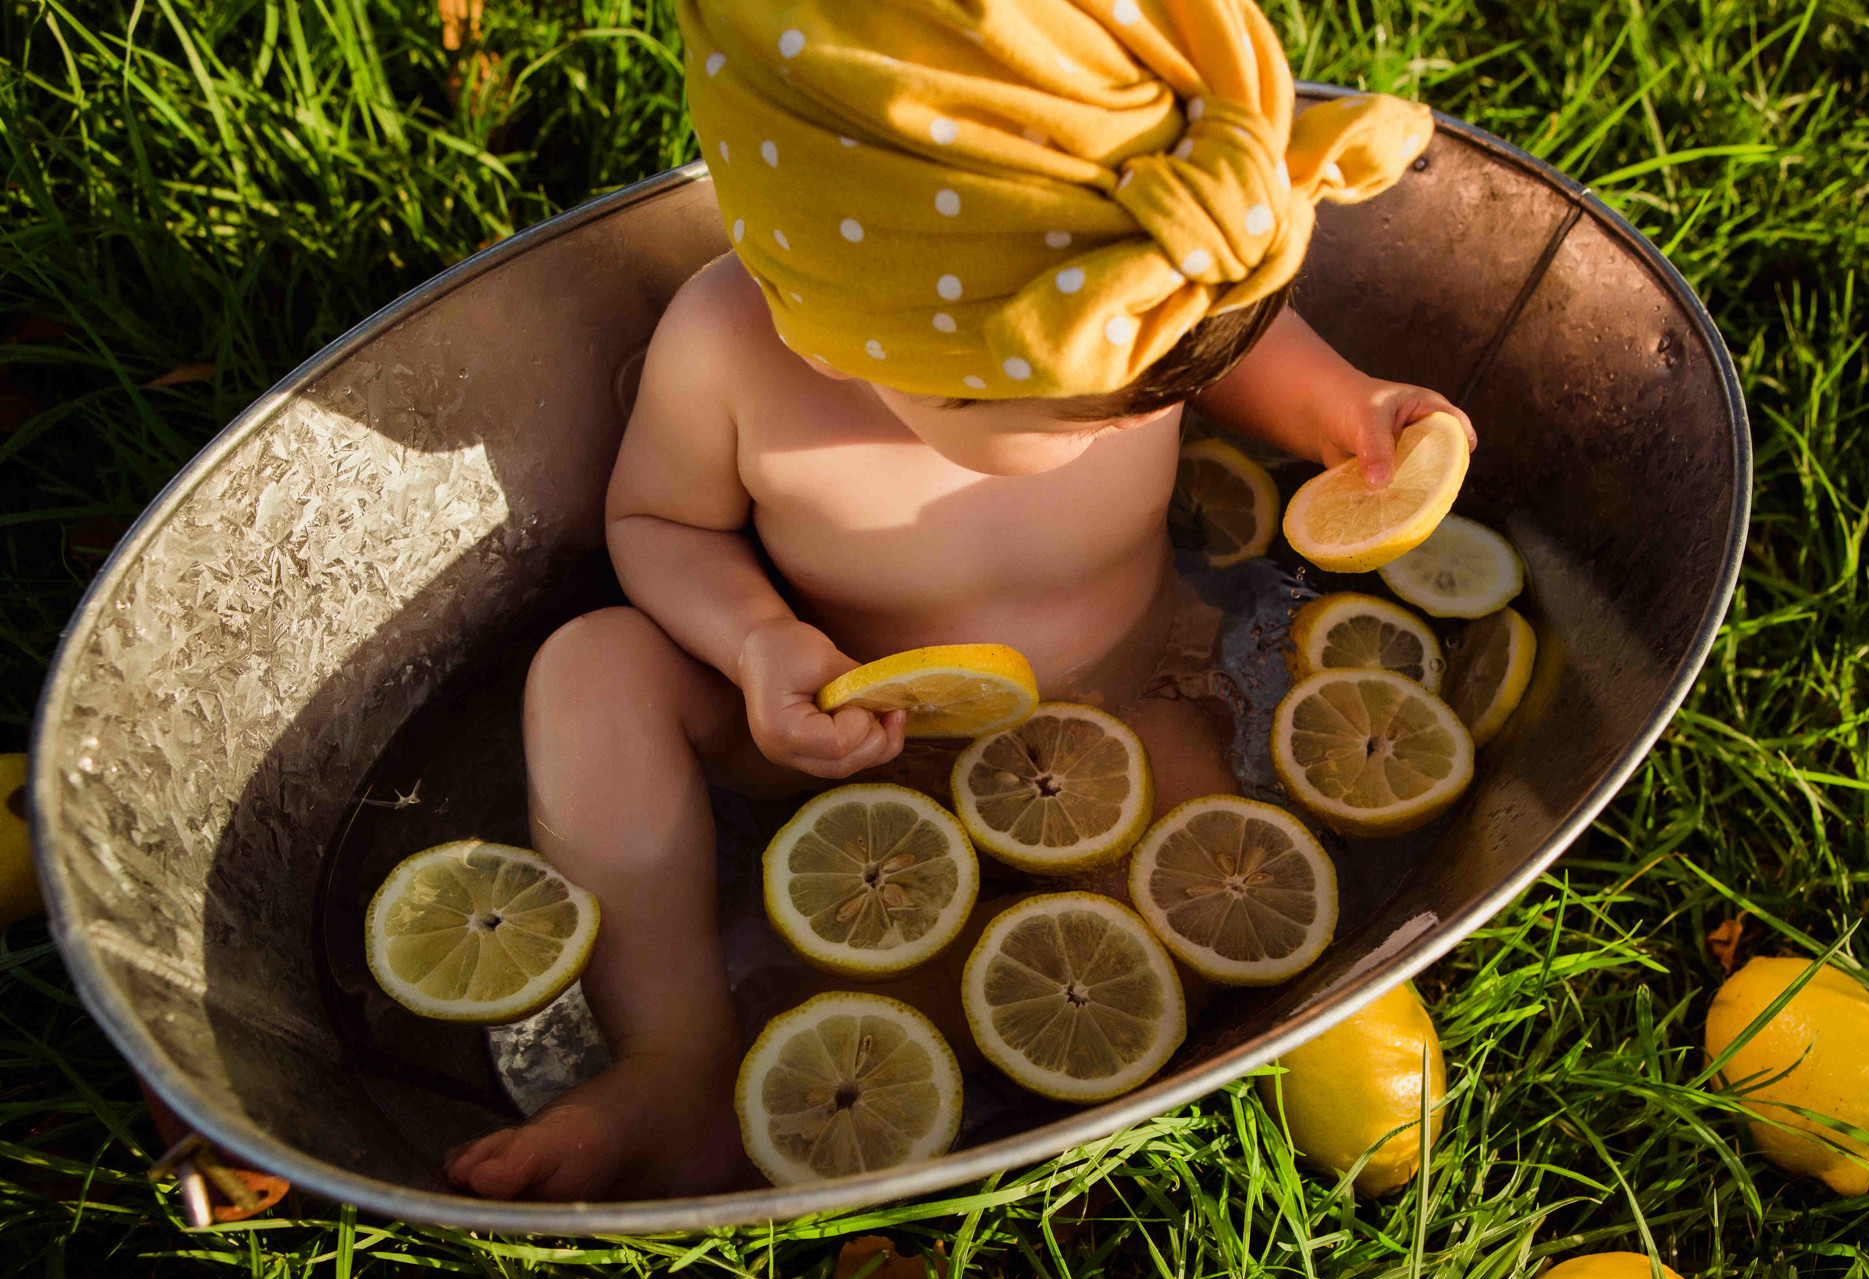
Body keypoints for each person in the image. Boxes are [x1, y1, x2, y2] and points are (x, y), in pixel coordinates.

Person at [443, 0, 1476, 1201]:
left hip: (1134, 694)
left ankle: (988, 1053)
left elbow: (1233, 347)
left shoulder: (1132, 296)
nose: (1153, 410)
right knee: (591, 670)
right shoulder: (731, 352)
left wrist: (1348, 410)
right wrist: (759, 641)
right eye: (1104, 401)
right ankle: (674, 1057)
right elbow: (658, 524)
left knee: (1209, 910)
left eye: (1170, 367)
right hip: (845, 722)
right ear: (841, 341)